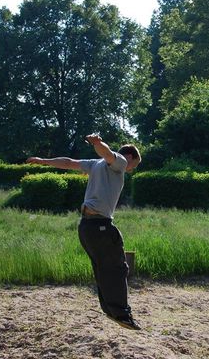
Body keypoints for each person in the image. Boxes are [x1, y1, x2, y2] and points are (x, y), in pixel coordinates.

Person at [26, 134, 142, 330]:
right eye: (135, 165)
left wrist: (43, 161)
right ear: (130, 157)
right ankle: (121, 314)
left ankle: (110, 309)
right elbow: (107, 153)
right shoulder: (120, 162)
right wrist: (97, 143)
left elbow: (69, 163)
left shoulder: (94, 164)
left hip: (86, 227)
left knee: (102, 267)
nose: (131, 169)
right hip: (101, 225)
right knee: (117, 268)